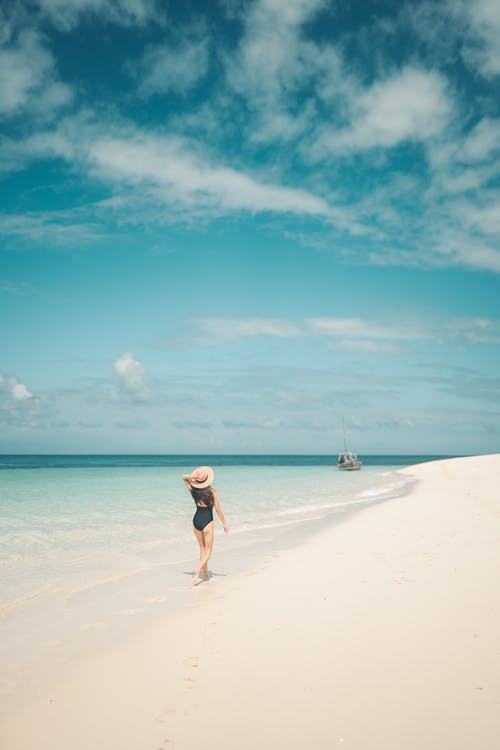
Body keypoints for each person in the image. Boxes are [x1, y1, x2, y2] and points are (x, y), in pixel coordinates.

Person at [182, 466, 228, 585]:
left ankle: (206, 575)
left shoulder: (193, 490)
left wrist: (191, 477)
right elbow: (218, 509)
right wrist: (224, 523)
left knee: (202, 549)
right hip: (207, 521)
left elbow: (183, 477)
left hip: (196, 520)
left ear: (197, 481)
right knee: (208, 551)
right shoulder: (212, 491)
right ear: (207, 480)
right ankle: (198, 570)